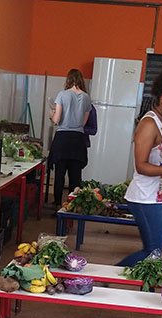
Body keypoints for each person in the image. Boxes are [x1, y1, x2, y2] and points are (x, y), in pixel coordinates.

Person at [116, 67, 162, 266]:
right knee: (153, 252)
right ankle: (107, 278)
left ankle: (143, 289)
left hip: (161, 197)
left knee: (156, 251)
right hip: (145, 197)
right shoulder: (149, 124)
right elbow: (141, 166)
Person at [49, 69, 92, 211]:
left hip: (63, 138)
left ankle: (57, 205)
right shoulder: (86, 97)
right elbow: (84, 122)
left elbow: (56, 120)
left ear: (68, 80)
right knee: (75, 176)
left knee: (60, 174)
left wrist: (52, 114)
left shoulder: (62, 95)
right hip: (78, 140)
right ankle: (73, 206)